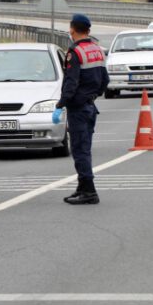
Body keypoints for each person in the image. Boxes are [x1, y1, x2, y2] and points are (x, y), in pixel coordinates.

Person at [52, 14, 109, 205]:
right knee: (84, 148)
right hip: (90, 106)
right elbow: (105, 81)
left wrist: (61, 104)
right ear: (89, 30)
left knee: (80, 150)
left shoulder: (74, 52)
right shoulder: (97, 50)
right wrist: (92, 95)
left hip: (78, 108)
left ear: (72, 30)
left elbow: (71, 82)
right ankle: (82, 186)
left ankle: (90, 191)